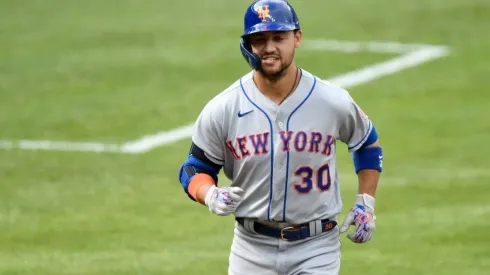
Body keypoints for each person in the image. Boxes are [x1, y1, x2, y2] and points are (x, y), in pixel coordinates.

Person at [178, 0, 383, 274]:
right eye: (259, 39)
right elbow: (194, 169)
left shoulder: (331, 101)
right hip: (251, 249)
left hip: (316, 247)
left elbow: (367, 143)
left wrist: (365, 203)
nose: (269, 47)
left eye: (279, 37)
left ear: (297, 38)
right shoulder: (223, 108)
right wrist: (210, 194)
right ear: (248, 45)